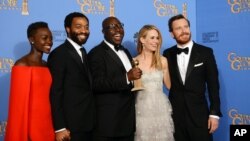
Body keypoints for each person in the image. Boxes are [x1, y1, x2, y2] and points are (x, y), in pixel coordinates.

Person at [163, 14, 222, 141]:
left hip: (200, 116)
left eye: (186, 27)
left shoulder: (205, 52)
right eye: (178, 28)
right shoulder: (167, 54)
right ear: (172, 34)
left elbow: (213, 86)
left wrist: (214, 114)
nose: (184, 30)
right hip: (175, 117)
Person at [88, 16, 142, 141]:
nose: (118, 30)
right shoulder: (96, 53)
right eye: (112, 27)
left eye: (120, 26)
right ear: (103, 32)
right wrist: (127, 77)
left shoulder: (125, 51)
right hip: (108, 125)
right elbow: (97, 84)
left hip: (127, 123)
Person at [47, 12, 95, 141]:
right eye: (78, 26)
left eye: (86, 27)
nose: (84, 31)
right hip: (70, 127)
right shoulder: (59, 54)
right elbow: (56, 93)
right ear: (68, 29)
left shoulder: (83, 51)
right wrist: (60, 128)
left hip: (88, 124)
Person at [4, 22, 55, 141]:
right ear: (32, 39)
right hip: (31, 125)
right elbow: (18, 106)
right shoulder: (22, 65)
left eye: (51, 38)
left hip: (48, 123)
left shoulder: (47, 65)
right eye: (44, 38)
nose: (49, 42)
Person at [133, 24, 174, 141]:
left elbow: (170, 86)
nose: (156, 41)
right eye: (152, 38)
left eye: (157, 38)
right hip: (141, 110)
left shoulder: (163, 61)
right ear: (142, 39)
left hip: (161, 110)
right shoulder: (134, 62)